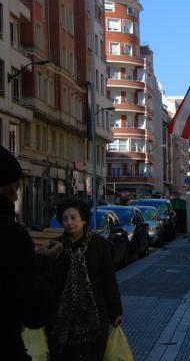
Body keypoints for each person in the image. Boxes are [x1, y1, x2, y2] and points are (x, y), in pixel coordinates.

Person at [0, 145, 62, 360]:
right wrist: (43, 263)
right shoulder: (12, 235)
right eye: (16, 187)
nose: (16, 195)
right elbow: (35, 313)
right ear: (4, 188)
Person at [49, 198, 123, 360]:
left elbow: (108, 279)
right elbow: (49, 282)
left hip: (95, 318)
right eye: (65, 219)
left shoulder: (99, 244)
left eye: (73, 218)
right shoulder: (56, 246)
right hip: (62, 320)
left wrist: (116, 311)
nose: (69, 222)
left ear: (83, 220)